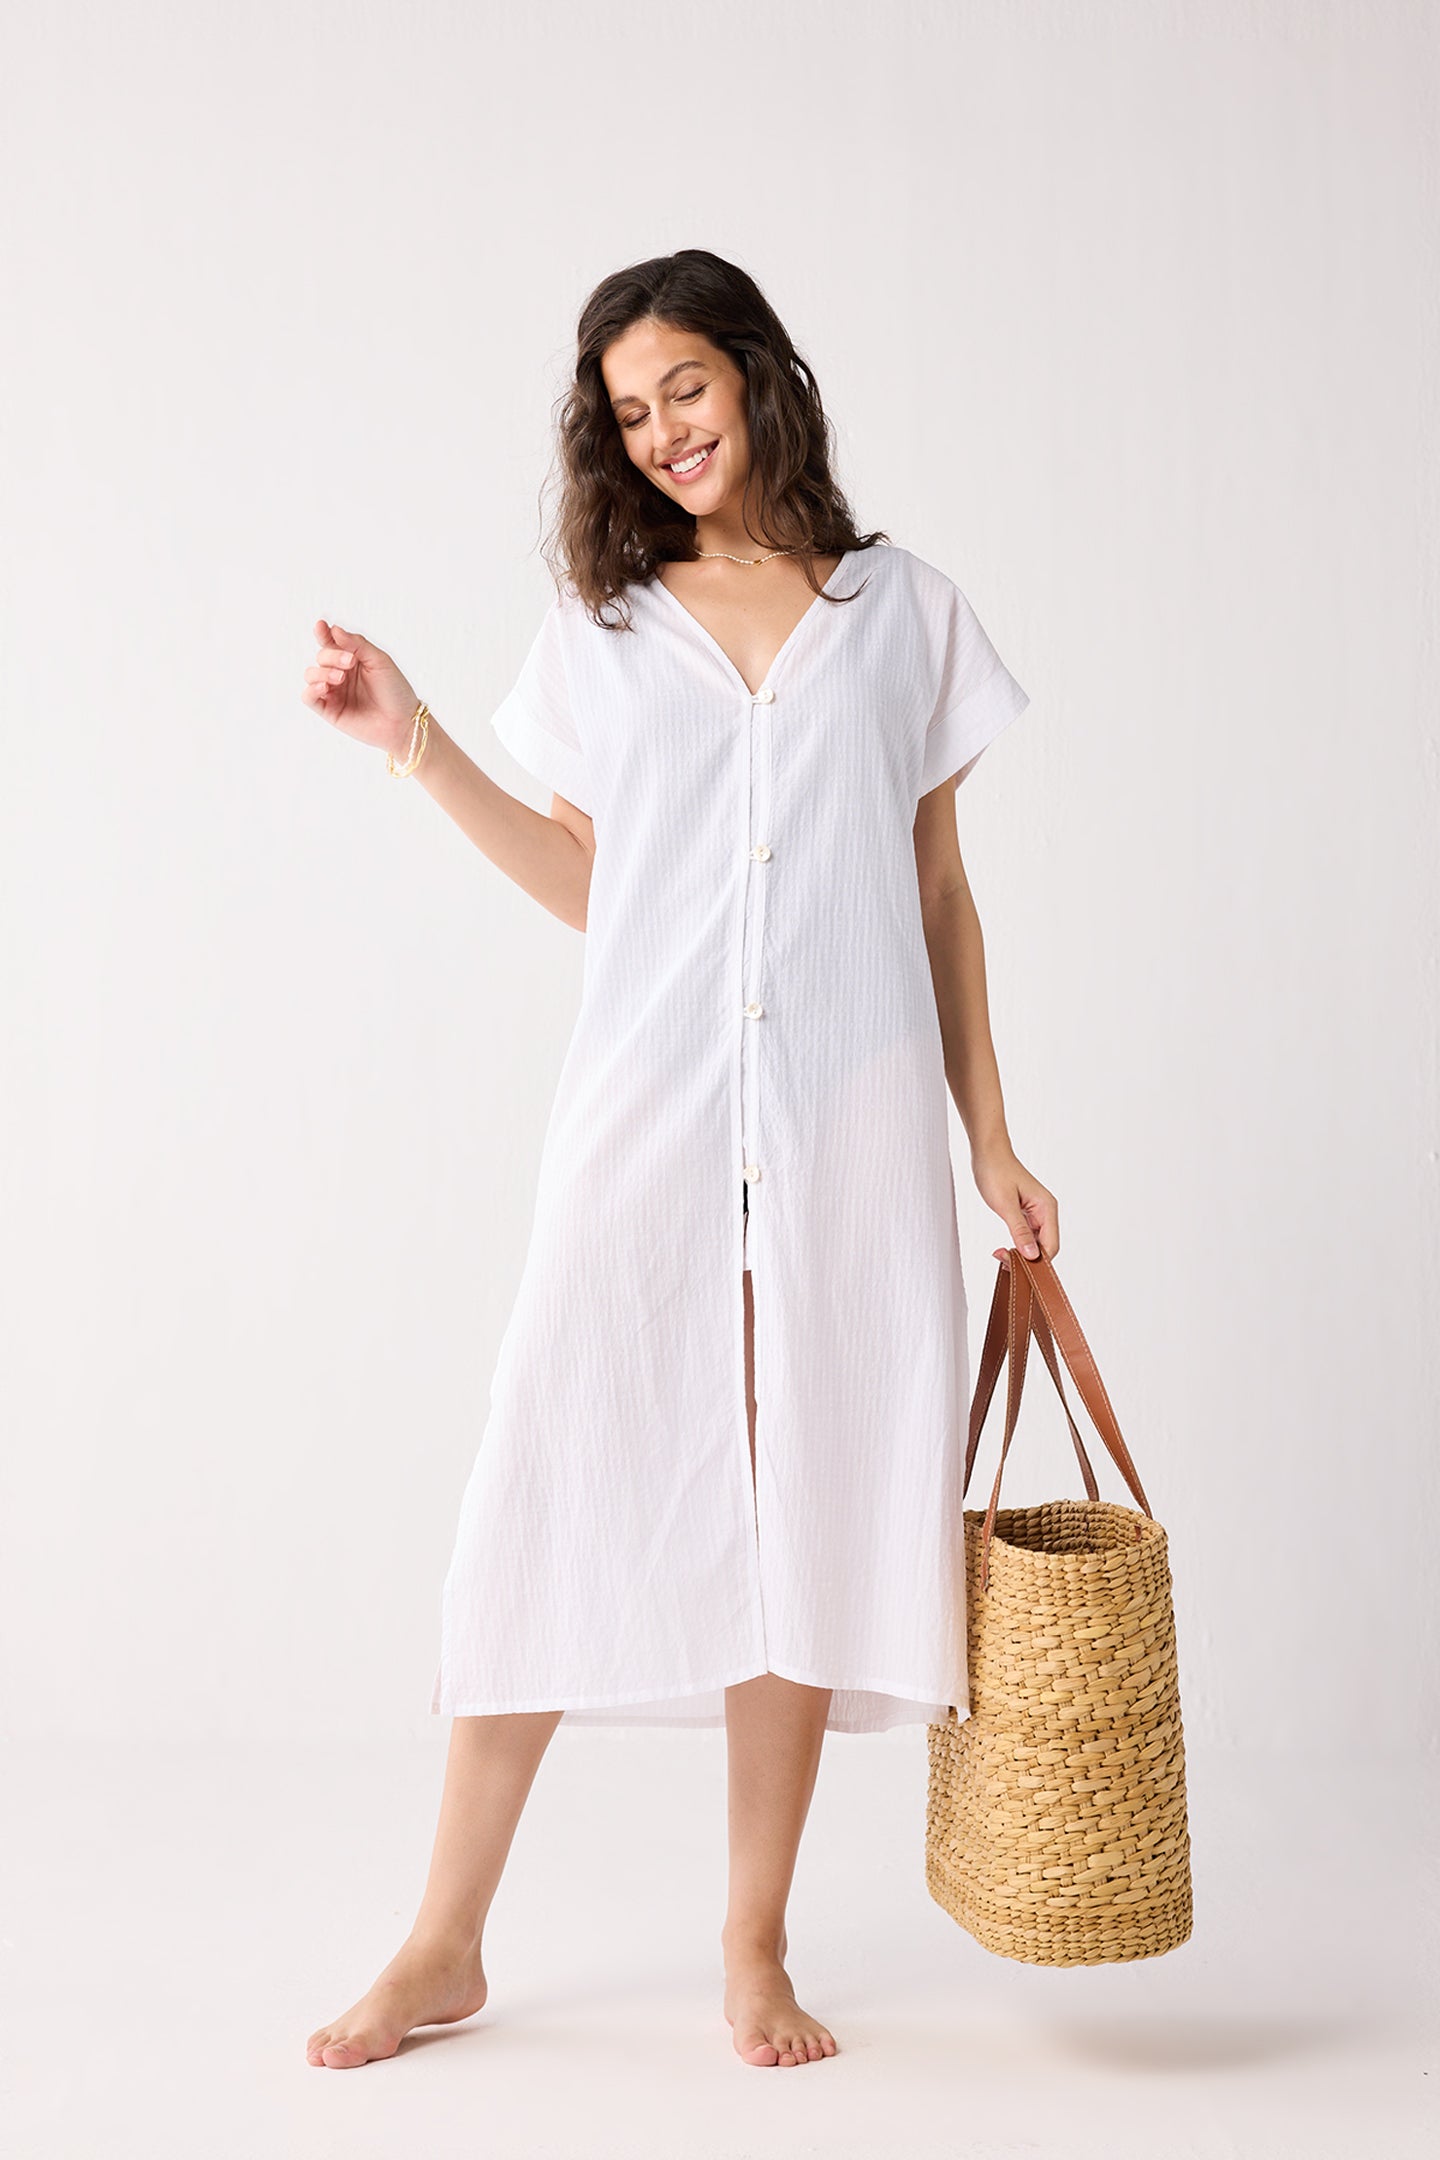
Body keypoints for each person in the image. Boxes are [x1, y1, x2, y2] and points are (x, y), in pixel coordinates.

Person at [300, 248, 1058, 2073]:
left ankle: (753, 1947)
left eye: (685, 394)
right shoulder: (609, 625)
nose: (664, 438)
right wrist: (415, 751)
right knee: (552, 1487)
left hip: (849, 1136)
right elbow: (597, 890)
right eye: (630, 418)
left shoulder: (904, 612)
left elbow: (940, 896)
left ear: (758, 372)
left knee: (801, 1508)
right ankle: (444, 1938)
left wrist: (993, 1138)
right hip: (644, 1127)